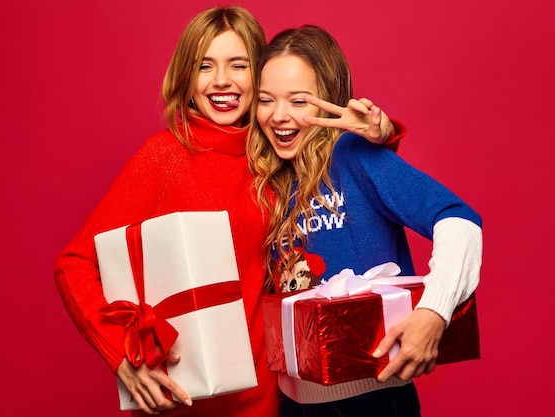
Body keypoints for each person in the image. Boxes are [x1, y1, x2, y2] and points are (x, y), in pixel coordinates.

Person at [54, 6, 405, 417]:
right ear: (187, 77)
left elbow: (344, 168)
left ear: (260, 75)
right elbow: (73, 263)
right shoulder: (163, 157)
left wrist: (383, 134)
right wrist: (119, 355)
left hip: (270, 401)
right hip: (184, 399)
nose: (222, 80)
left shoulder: (277, 156)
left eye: (238, 65)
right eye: (205, 65)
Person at [246, 25, 483, 417]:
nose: (279, 115)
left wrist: (434, 310)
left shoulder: (354, 155)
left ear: (330, 102)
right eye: (266, 100)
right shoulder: (270, 179)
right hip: (292, 403)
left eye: (299, 100)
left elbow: (460, 220)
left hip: (371, 401)